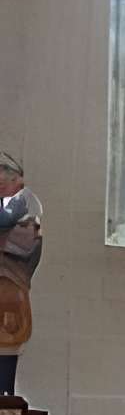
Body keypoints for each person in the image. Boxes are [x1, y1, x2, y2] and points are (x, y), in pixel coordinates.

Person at [0, 149, 43, 400]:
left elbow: (26, 240)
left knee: (8, 338)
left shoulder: (27, 203)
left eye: (7, 175)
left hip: (12, 284)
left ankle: (5, 391)